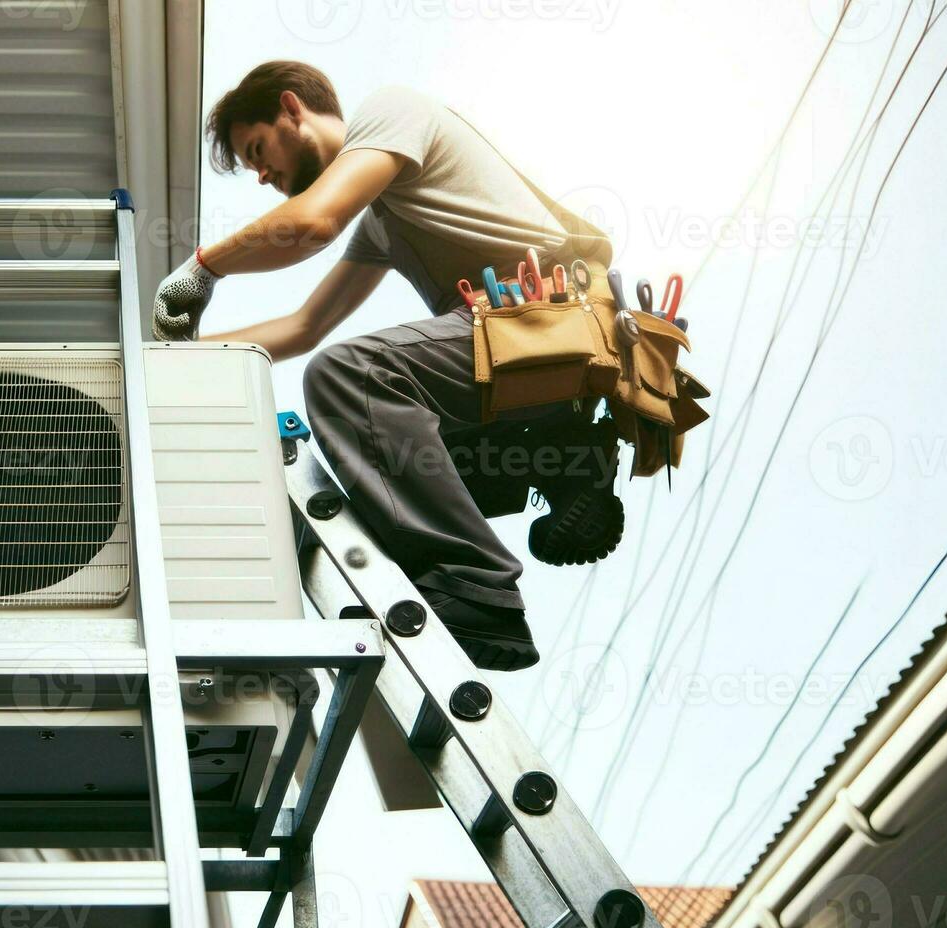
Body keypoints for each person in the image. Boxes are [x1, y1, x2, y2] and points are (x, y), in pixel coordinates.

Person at [152, 61, 620, 671]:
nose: (263, 175)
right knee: (381, 457)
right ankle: (567, 466)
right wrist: (184, 354)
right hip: (520, 357)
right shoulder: (382, 220)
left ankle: (474, 586)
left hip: (545, 323)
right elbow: (302, 327)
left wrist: (202, 268)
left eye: (258, 150)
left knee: (352, 378)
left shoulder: (394, 111)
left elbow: (313, 222)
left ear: (293, 108)